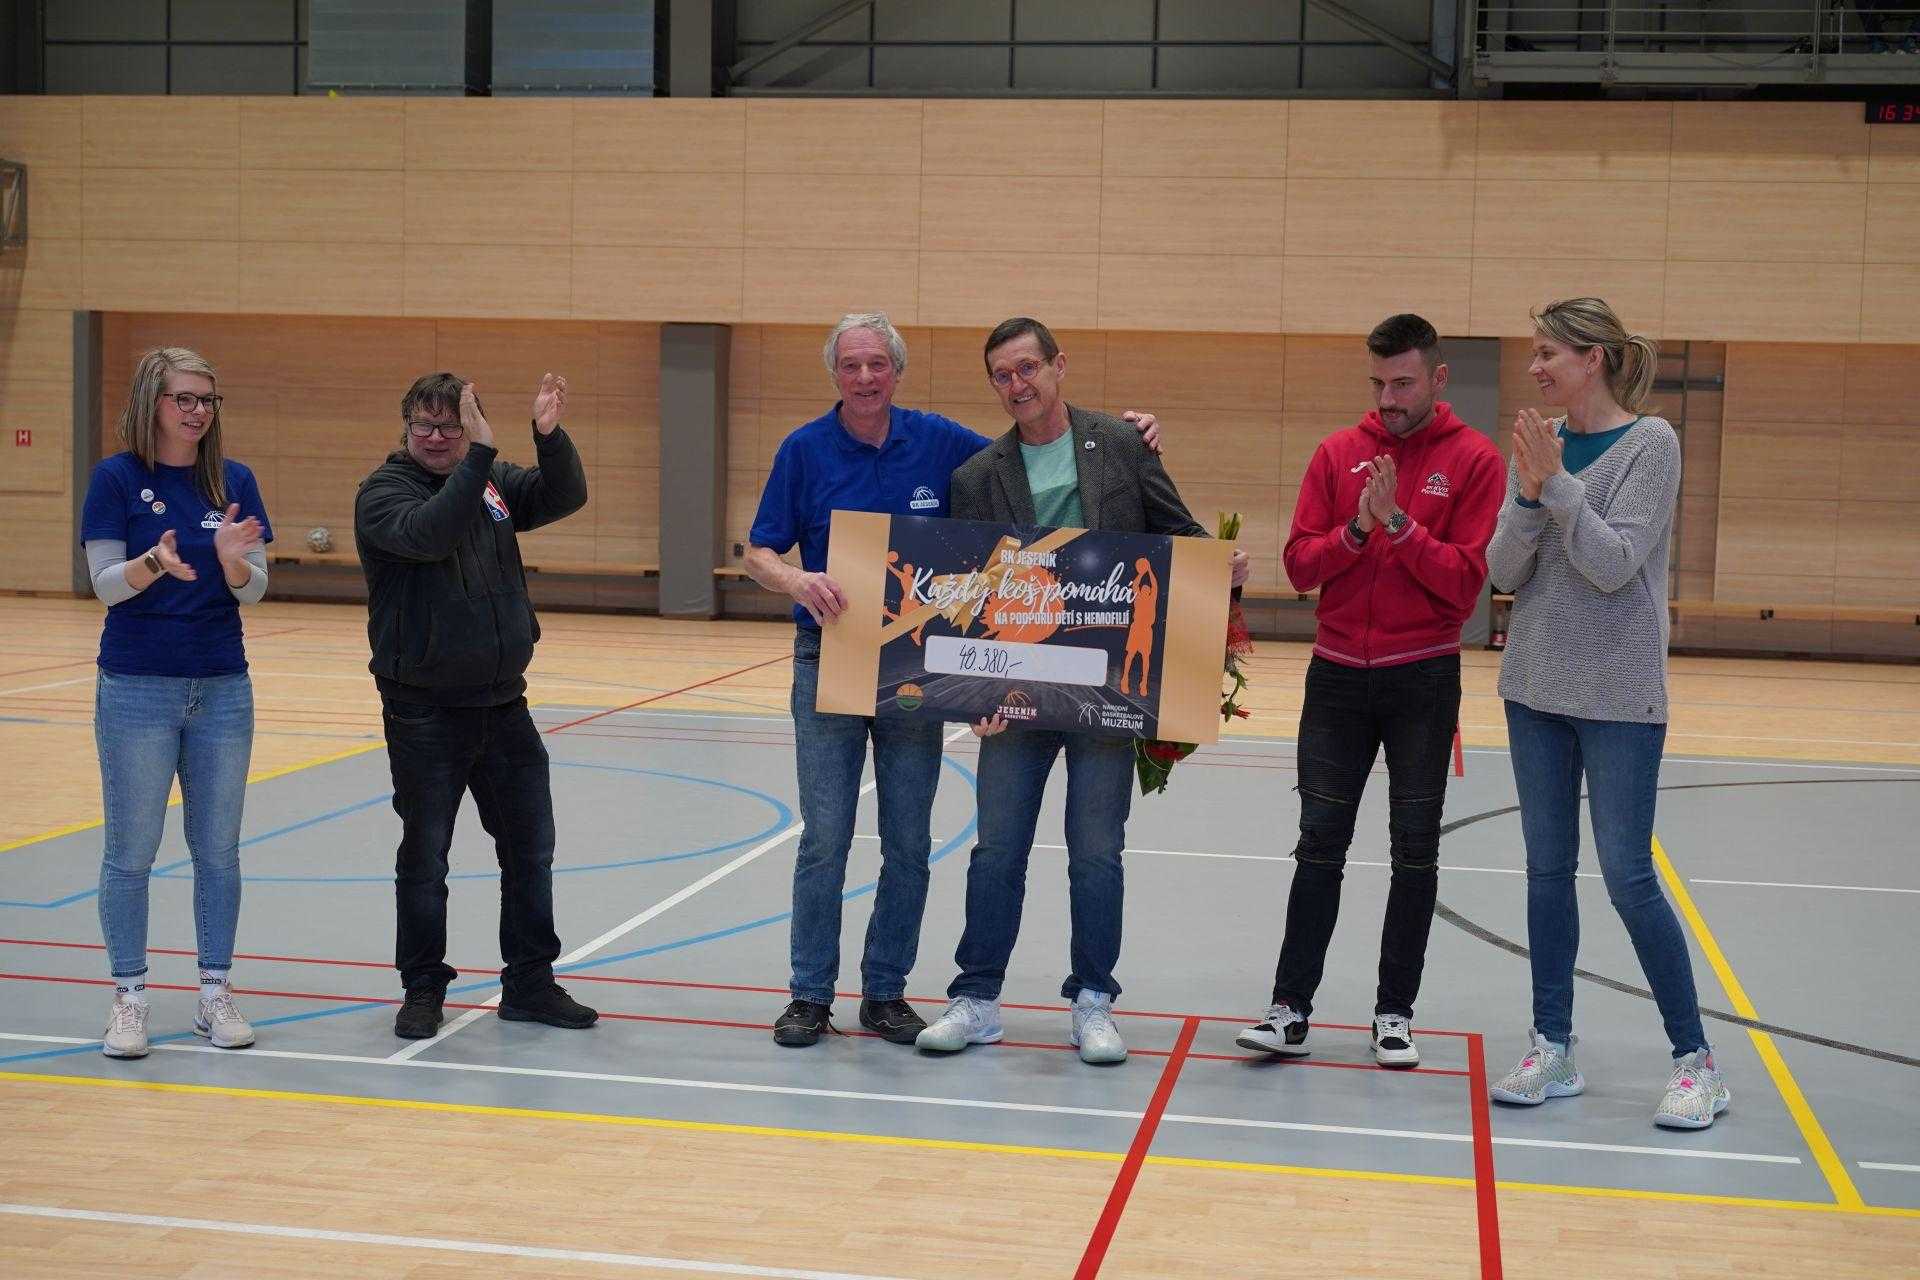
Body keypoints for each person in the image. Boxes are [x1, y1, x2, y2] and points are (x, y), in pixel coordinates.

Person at [745, 311, 1165, 1049]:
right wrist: (796, 579)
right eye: (852, 366)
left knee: (910, 841)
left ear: (897, 371)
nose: (866, 378)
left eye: (878, 364)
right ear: (835, 374)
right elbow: (757, 552)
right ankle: (809, 995)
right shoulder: (803, 450)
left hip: (915, 667)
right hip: (830, 658)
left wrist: (1132, 434)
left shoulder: (942, 444)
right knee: (826, 837)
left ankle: (885, 991)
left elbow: (1035, 446)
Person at [915, 317, 1249, 1065]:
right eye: (1002, 375)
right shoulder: (977, 477)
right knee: (996, 851)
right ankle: (976, 998)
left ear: (1058, 366)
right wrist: (971, 696)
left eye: (1028, 368)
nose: (1017, 385)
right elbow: (968, 595)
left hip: (1105, 695)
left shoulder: (1122, 445)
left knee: (1097, 853)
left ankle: (1093, 999)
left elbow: (1180, 533)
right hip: (1015, 698)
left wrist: (1223, 568)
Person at [1484, 297, 1728, 1130]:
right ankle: (1552, 1045)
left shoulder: (1652, 444)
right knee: (1547, 873)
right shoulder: (1538, 448)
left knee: (1627, 876)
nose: (1535, 368)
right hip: (1534, 692)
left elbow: (1614, 563)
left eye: (1548, 353)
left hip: (1619, 696)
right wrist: (1528, 495)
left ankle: (1696, 1062)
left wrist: (1556, 487)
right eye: (1534, 353)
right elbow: (1503, 572)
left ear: (1593, 359)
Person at [1236, 314, 1504, 1069]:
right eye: (1379, 383)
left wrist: (1399, 525)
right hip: (1335, 678)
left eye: (1403, 383)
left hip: (1423, 677)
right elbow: (1300, 566)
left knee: (1414, 850)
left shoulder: (1476, 461)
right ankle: (1290, 1009)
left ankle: (1394, 1013)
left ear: (1438, 379)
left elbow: (1463, 587)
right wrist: (1357, 530)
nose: (1388, 399)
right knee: (1319, 843)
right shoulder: (1337, 453)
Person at [355, 371, 598, 1040]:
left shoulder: (490, 483)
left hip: (504, 705)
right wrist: (481, 454)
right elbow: (432, 533)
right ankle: (423, 986)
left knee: (529, 850)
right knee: (426, 857)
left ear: (469, 430)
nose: (436, 438)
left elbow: (564, 494)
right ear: (405, 429)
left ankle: (530, 983)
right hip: (424, 711)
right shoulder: (384, 493)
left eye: (451, 427)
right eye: (424, 426)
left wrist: (548, 437)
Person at [80, 347, 272, 1059]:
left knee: (217, 851)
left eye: (207, 400)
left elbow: (256, 589)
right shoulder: (115, 478)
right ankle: (129, 997)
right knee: (131, 852)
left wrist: (231, 562)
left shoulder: (235, 480)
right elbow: (105, 585)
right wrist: (154, 562)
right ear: (151, 402)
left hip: (221, 688)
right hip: (136, 687)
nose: (197, 412)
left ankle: (214, 992)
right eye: (183, 398)